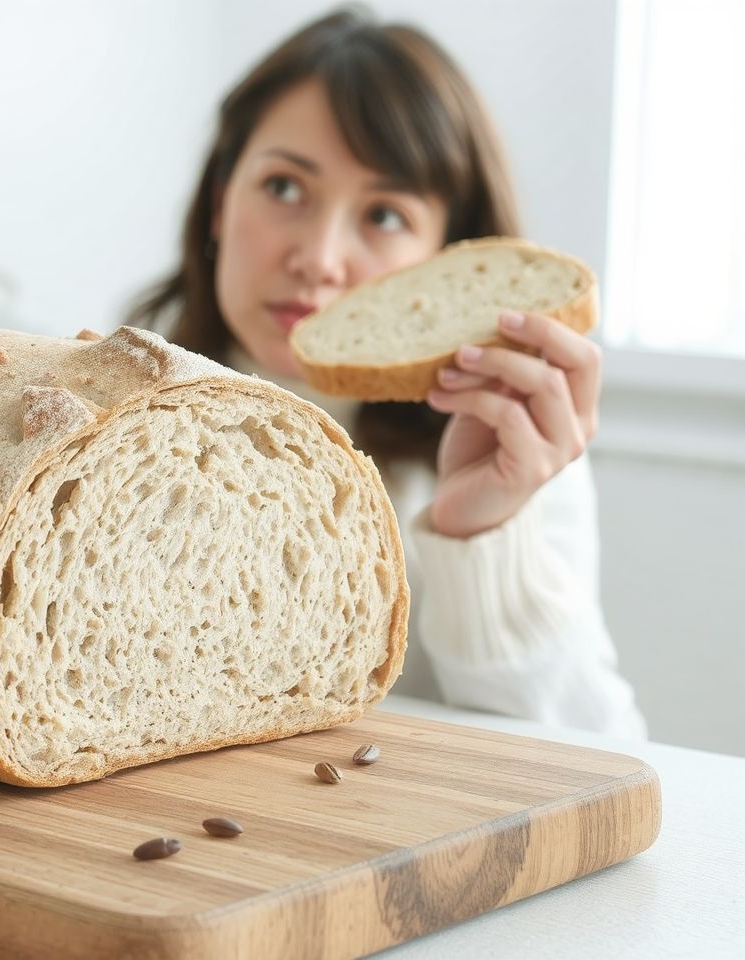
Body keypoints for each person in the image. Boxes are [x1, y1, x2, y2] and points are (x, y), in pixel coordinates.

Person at [128, 5, 647, 739]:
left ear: (447, 253)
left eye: (385, 215)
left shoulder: (516, 447)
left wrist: (481, 537)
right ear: (219, 202)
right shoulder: (117, 422)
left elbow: (603, 747)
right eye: (284, 187)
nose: (321, 257)